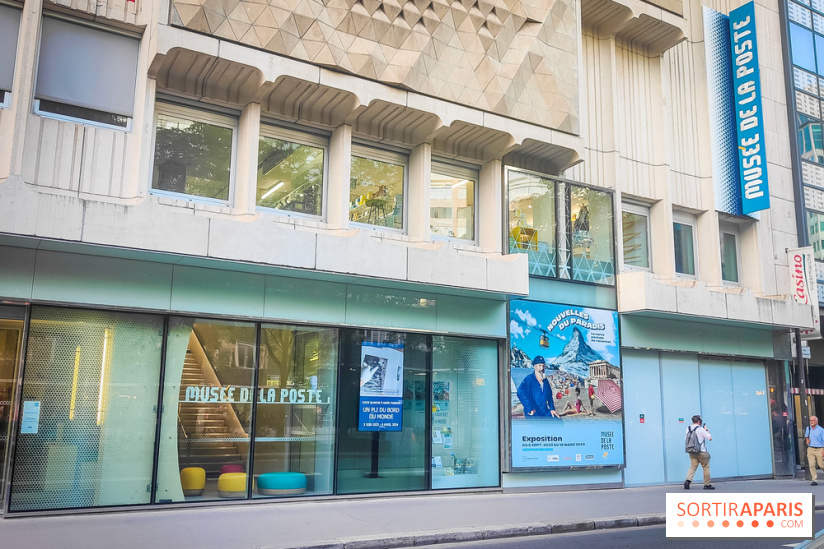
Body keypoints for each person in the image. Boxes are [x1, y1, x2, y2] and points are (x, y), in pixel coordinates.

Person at [684, 414, 714, 490]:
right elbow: (710, 438)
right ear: (699, 421)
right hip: (701, 452)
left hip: (692, 452)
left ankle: (688, 480)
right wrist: (706, 429)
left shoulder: (688, 428)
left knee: (693, 466)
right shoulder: (701, 429)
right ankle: (707, 484)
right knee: (706, 467)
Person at [806, 415, 824, 486]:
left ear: (816, 421)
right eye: (810, 420)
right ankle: (814, 480)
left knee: (821, 465)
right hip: (810, 449)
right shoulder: (808, 429)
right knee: (811, 465)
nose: (811, 422)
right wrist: (807, 440)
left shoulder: (821, 430)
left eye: (813, 420)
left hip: (819, 449)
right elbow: (807, 436)